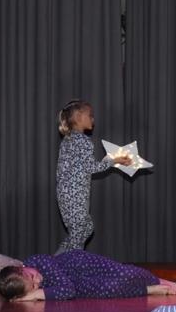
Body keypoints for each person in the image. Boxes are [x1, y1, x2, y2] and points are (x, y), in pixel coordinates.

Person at [55, 99, 131, 253]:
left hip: (66, 194)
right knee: (79, 232)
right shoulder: (83, 141)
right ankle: (74, 263)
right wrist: (113, 161)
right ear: (78, 117)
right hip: (75, 195)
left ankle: (56, 260)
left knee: (85, 228)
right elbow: (91, 167)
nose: (93, 119)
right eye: (90, 115)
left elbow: (76, 167)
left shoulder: (67, 140)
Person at [0, 249, 176, 301]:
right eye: (33, 287)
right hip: (78, 285)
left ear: (23, 267)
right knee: (110, 289)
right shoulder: (33, 286)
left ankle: (156, 279)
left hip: (82, 264)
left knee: (123, 272)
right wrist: (33, 294)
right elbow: (69, 291)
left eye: (31, 276)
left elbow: (66, 290)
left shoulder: (39, 261)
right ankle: (148, 289)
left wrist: (35, 294)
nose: (37, 282)